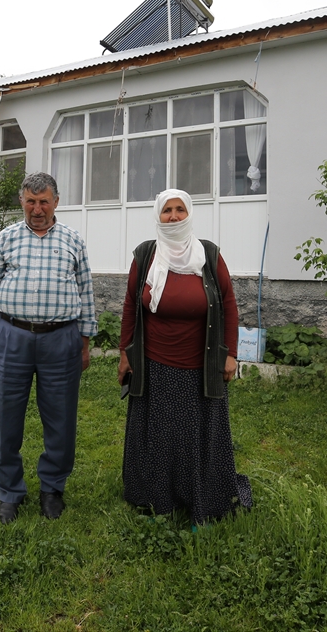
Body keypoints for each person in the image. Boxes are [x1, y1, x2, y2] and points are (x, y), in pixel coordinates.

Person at [117, 188, 252, 524]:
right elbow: (131, 306)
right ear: (158, 216)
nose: (174, 216)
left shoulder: (208, 255)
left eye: (180, 209)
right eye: (167, 210)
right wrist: (125, 353)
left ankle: (201, 494)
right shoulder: (146, 256)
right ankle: (155, 495)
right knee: (159, 434)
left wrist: (230, 354)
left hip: (200, 365)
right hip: (154, 364)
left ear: (189, 214)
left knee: (197, 433)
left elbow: (230, 305)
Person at [0, 172, 97, 524]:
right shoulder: (6, 239)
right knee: (5, 418)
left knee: (60, 418)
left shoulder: (73, 240)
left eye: (44, 201)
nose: (37, 209)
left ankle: (52, 488)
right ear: (21, 201)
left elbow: (86, 294)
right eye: (31, 201)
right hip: (10, 336)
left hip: (62, 339)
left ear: (56, 201)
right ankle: (9, 491)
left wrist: (84, 343)